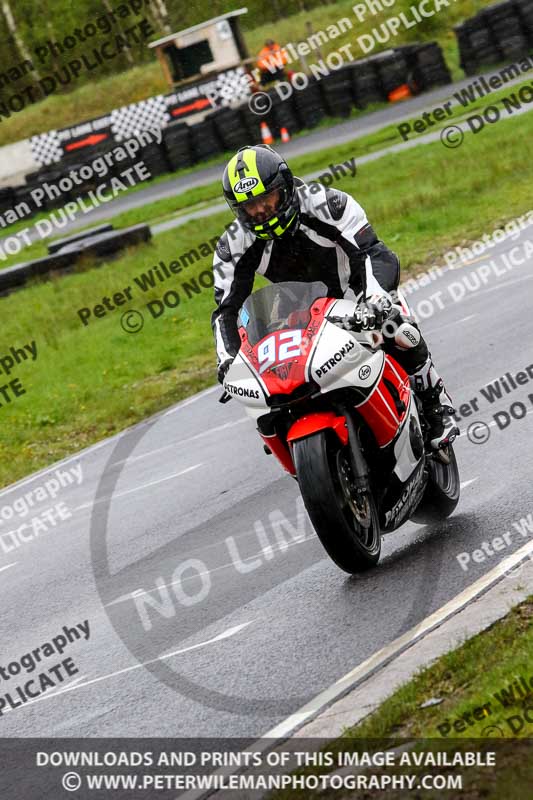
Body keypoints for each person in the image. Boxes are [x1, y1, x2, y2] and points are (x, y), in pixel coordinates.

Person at [211, 144, 458, 450]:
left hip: (357, 296)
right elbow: (226, 310)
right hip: (298, 314)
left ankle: (436, 404)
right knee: (266, 383)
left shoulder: (328, 204)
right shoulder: (232, 246)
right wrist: (227, 358)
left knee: (400, 330)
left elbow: (376, 253)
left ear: (284, 187)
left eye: (266, 199)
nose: (261, 211)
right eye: (250, 207)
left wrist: (377, 300)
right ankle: (290, 432)